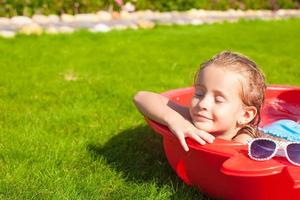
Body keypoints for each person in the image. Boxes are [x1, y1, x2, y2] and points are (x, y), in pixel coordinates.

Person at [133, 51, 266, 151]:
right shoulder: (191, 118)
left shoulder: (245, 139)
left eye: (218, 100)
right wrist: (175, 120)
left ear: (245, 115)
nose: (202, 104)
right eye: (199, 93)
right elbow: (140, 97)